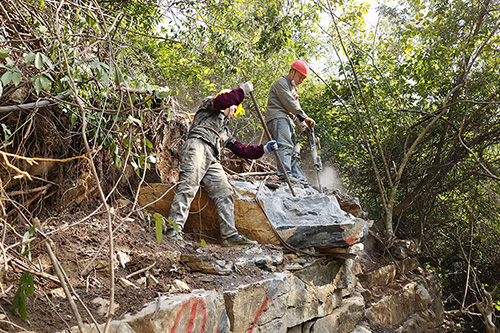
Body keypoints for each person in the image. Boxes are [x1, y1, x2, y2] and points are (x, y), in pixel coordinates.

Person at [167, 82, 278, 247]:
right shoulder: (209, 105)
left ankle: (229, 235)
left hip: (212, 157)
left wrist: (263, 148)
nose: (233, 115)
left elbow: (241, 149)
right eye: (234, 110)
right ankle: (173, 231)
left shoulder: (224, 131)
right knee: (188, 186)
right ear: (229, 104)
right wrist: (242, 92)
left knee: (225, 192)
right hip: (197, 146)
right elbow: (223, 101)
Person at [265, 59, 316, 185]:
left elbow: (295, 112)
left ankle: (298, 178)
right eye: (300, 76)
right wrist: (305, 117)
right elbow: (291, 104)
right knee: (285, 145)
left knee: (293, 151)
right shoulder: (281, 83)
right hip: (278, 117)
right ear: (292, 72)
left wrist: (304, 128)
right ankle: (285, 176)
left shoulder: (293, 89)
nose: (301, 81)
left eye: (303, 79)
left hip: (287, 120)